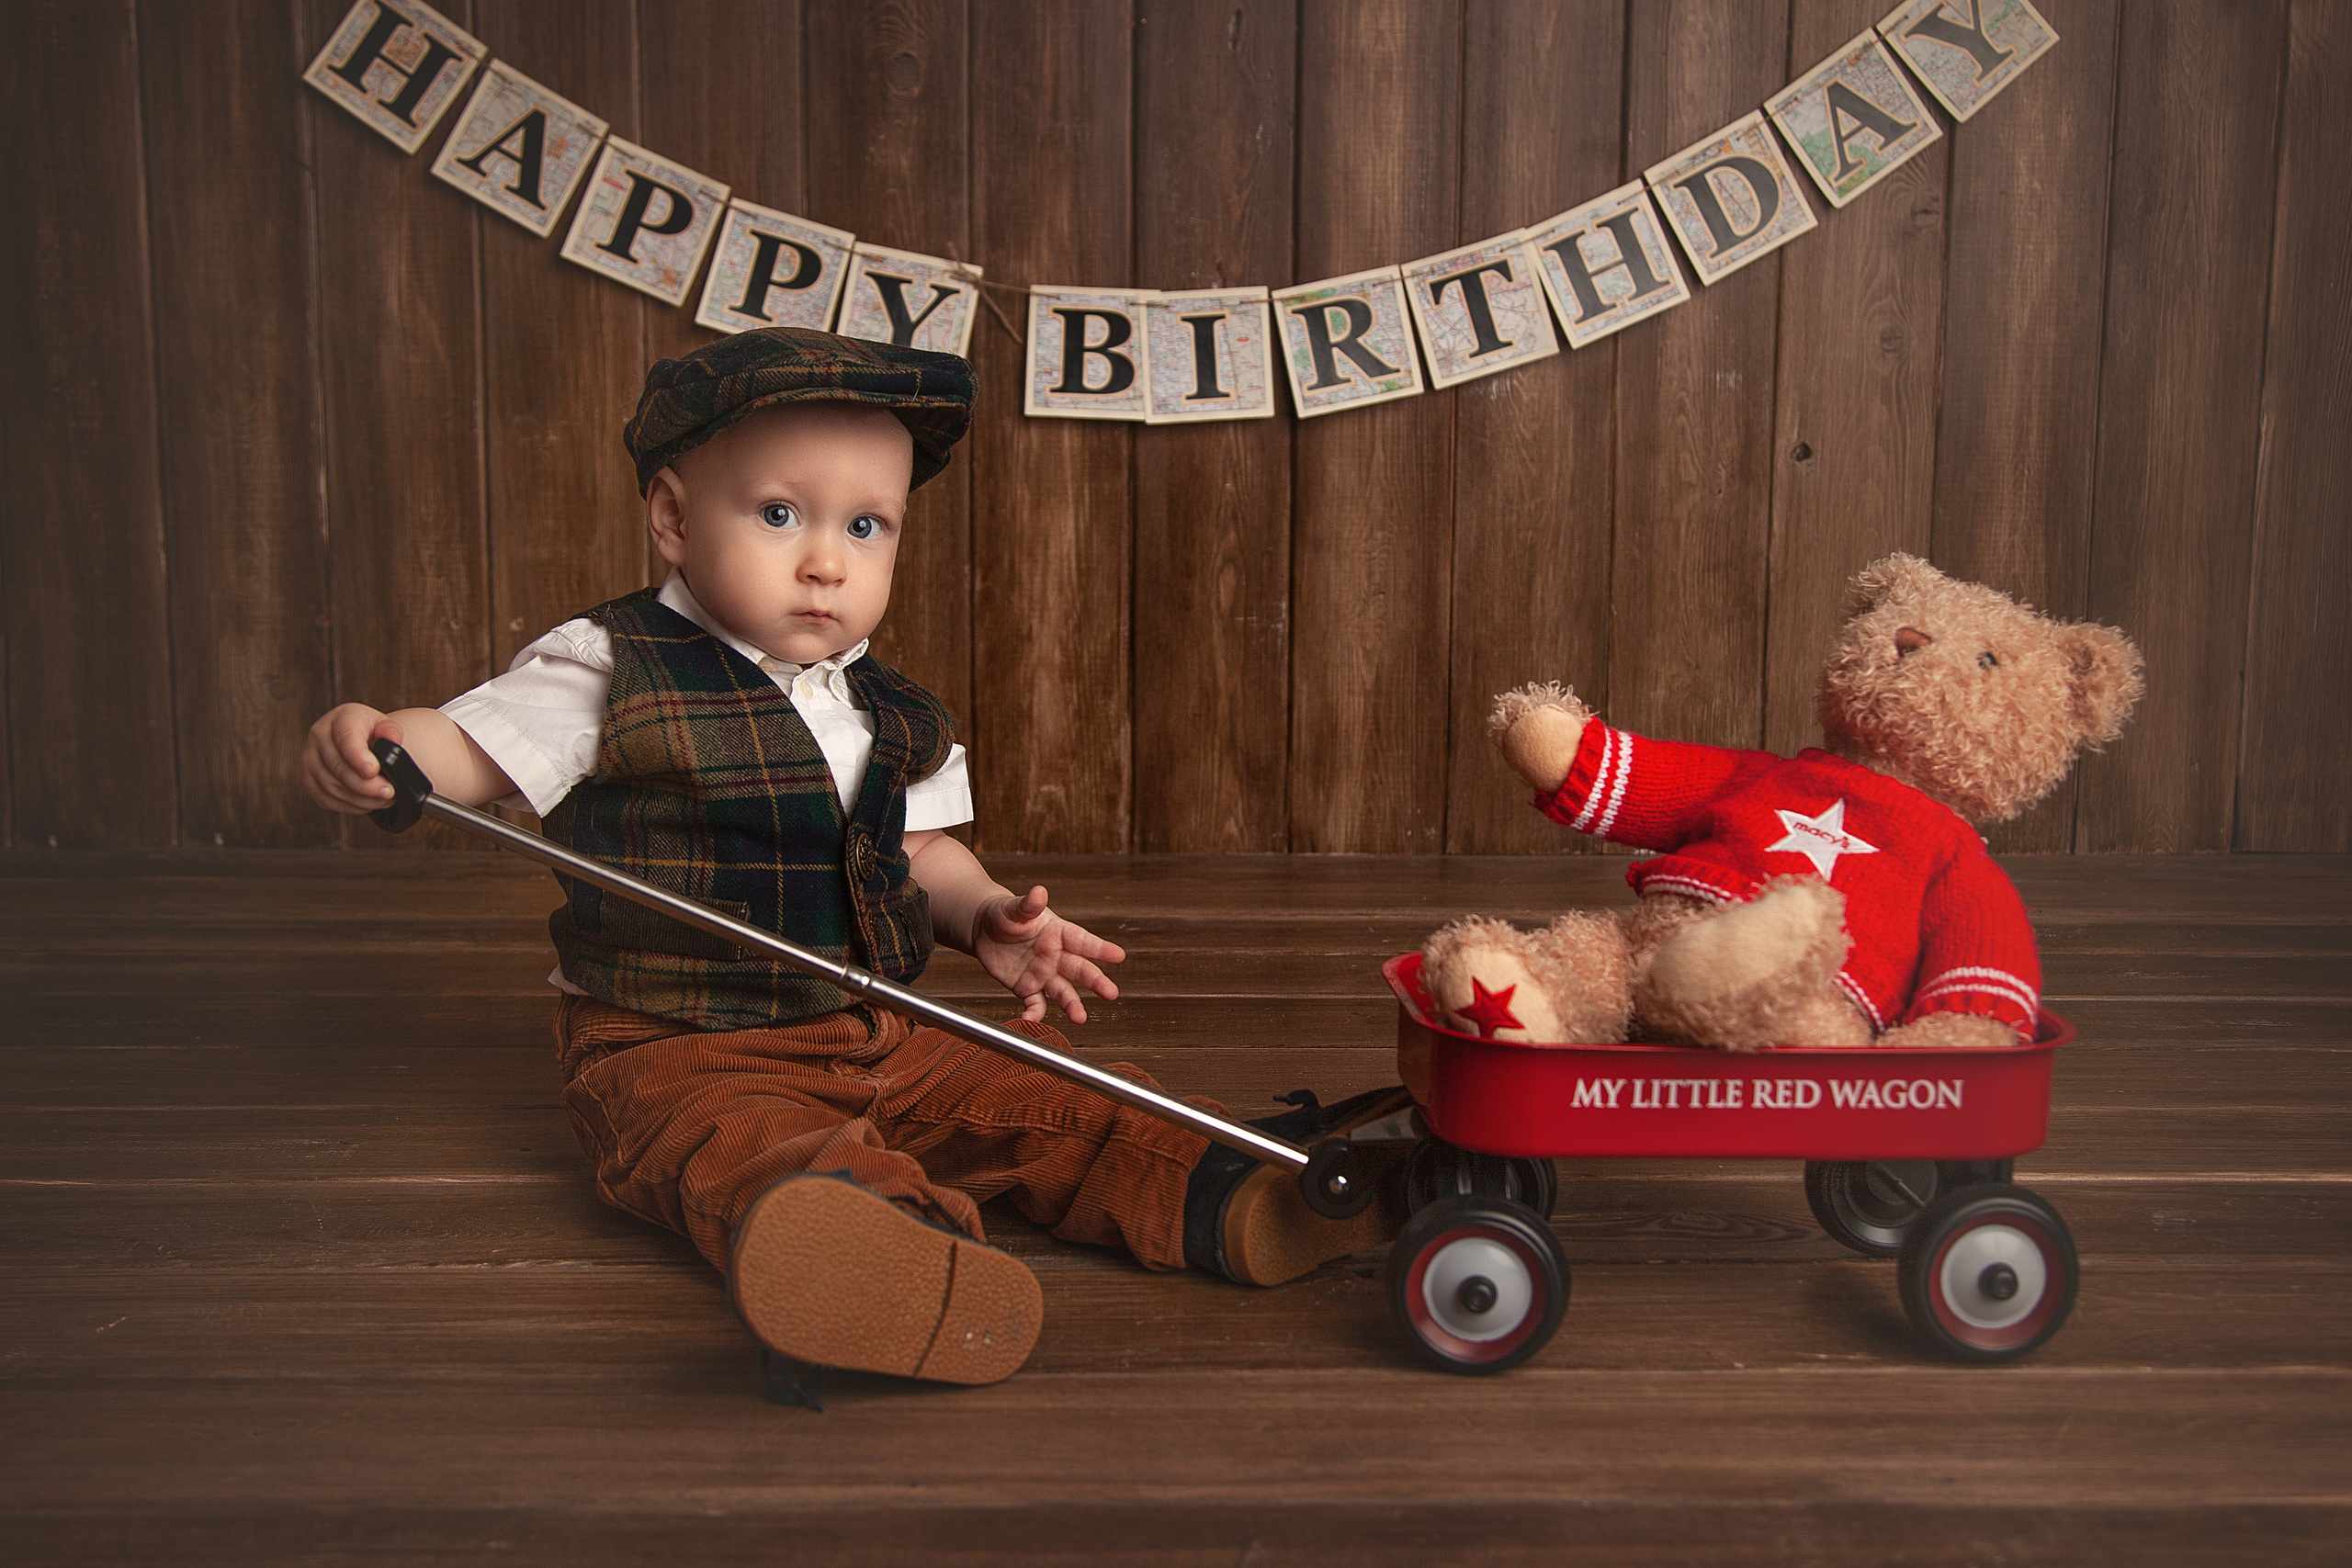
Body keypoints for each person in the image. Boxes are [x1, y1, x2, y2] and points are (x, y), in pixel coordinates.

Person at [301, 328, 1408, 1393]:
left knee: (1043, 1097)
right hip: (676, 1046)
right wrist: (383, 744)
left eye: (867, 527)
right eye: (779, 514)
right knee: (756, 1155)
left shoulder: (887, 709)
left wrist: (983, 915)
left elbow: (916, 850)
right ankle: (882, 1261)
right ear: (675, 516)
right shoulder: (610, 669)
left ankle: (1233, 1188)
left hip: (878, 1027)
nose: (826, 563)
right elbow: (466, 750)